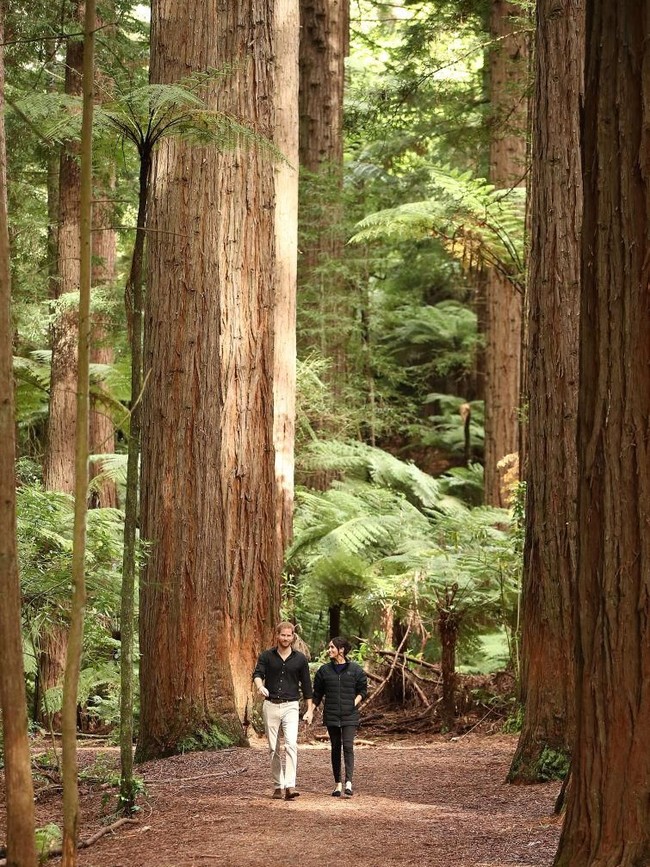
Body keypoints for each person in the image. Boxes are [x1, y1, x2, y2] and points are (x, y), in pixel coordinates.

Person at [253, 622, 313, 801]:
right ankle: (278, 785)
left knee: (291, 744)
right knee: (273, 747)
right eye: (283, 635)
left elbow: (307, 685)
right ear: (277, 635)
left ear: (293, 636)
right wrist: (260, 686)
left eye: (289, 635)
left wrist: (309, 709)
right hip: (270, 704)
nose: (286, 638)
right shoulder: (266, 656)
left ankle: (290, 785)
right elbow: (257, 674)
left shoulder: (300, 659)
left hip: (291, 706)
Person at [304, 636, 368, 797]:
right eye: (329, 647)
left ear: (342, 650)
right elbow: (317, 694)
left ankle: (349, 783)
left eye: (332, 647)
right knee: (335, 748)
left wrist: (353, 703)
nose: (329, 650)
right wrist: (310, 711)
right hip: (332, 714)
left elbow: (363, 690)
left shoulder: (355, 670)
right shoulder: (324, 671)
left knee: (348, 746)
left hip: (349, 715)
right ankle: (337, 784)